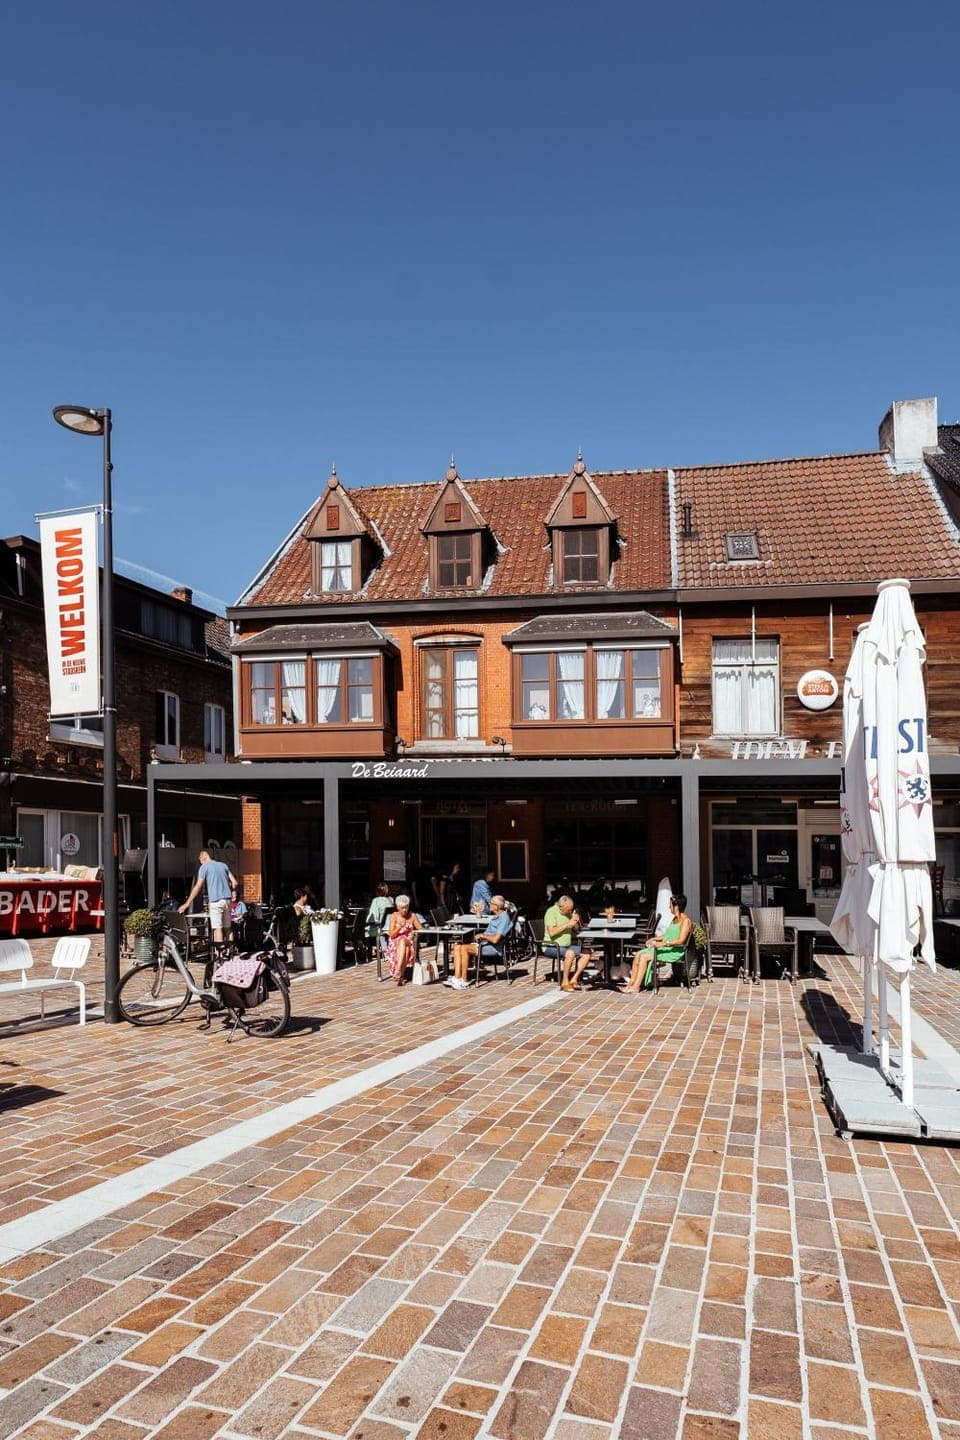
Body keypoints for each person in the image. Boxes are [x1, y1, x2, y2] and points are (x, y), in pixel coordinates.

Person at [622, 893, 692, 992]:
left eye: (670, 905)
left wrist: (663, 943)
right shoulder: (675, 919)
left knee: (644, 956)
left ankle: (636, 986)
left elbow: (681, 941)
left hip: (674, 951)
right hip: (666, 948)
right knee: (638, 954)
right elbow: (667, 935)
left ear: (676, 907)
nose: (669, 907)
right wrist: (654, 939)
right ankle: (631, 984)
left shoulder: (685, 921)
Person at [446, 894, 512, 991]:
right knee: (457, 947)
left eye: (490, 903)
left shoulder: (504, 918)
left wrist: (482, 935)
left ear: (496, 907)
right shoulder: (497, 916)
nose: (489, 905)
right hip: (484, 944)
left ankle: (464, 981)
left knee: (464, 948)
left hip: (493, 947)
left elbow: (495, 939)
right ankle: (456, 978)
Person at [179, 848, 238, 943]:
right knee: (228, 928)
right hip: (227, 900)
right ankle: (230, 953)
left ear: (203, 857)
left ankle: (220, 955)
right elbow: (235, 882)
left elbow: (198, 887)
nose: (200, 863)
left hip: (216, 901)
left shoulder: (204, 867)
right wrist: (233, 891)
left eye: (200, 861)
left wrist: (187, 904)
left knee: (217, 929)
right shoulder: (223, 865)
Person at [541, 894, 592, 992]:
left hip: (566, 946)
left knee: (587, 952)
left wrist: (575, 921)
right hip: (551, 946)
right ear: (561, 907)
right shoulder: (551, 912)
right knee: (570, 953)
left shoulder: (568, 913)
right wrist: (567, 924)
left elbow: (577, 930)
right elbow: (552, 932)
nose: (570, 911)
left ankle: (574, 979)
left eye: (571, 909)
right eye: (568, 910)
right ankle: (564, 982)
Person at [385, 894, 423, 986]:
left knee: (403, 941)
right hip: (395, 943)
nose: (405, 910)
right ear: (397, 907)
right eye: (402, 908)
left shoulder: (412, 916)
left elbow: (421, 929)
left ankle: (398, 970)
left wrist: (414, 933)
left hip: (409, 940)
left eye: (406, 907)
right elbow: (391, 935)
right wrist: (398, 927)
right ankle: (401, 976)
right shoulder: (394, 916)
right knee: (404, 947)